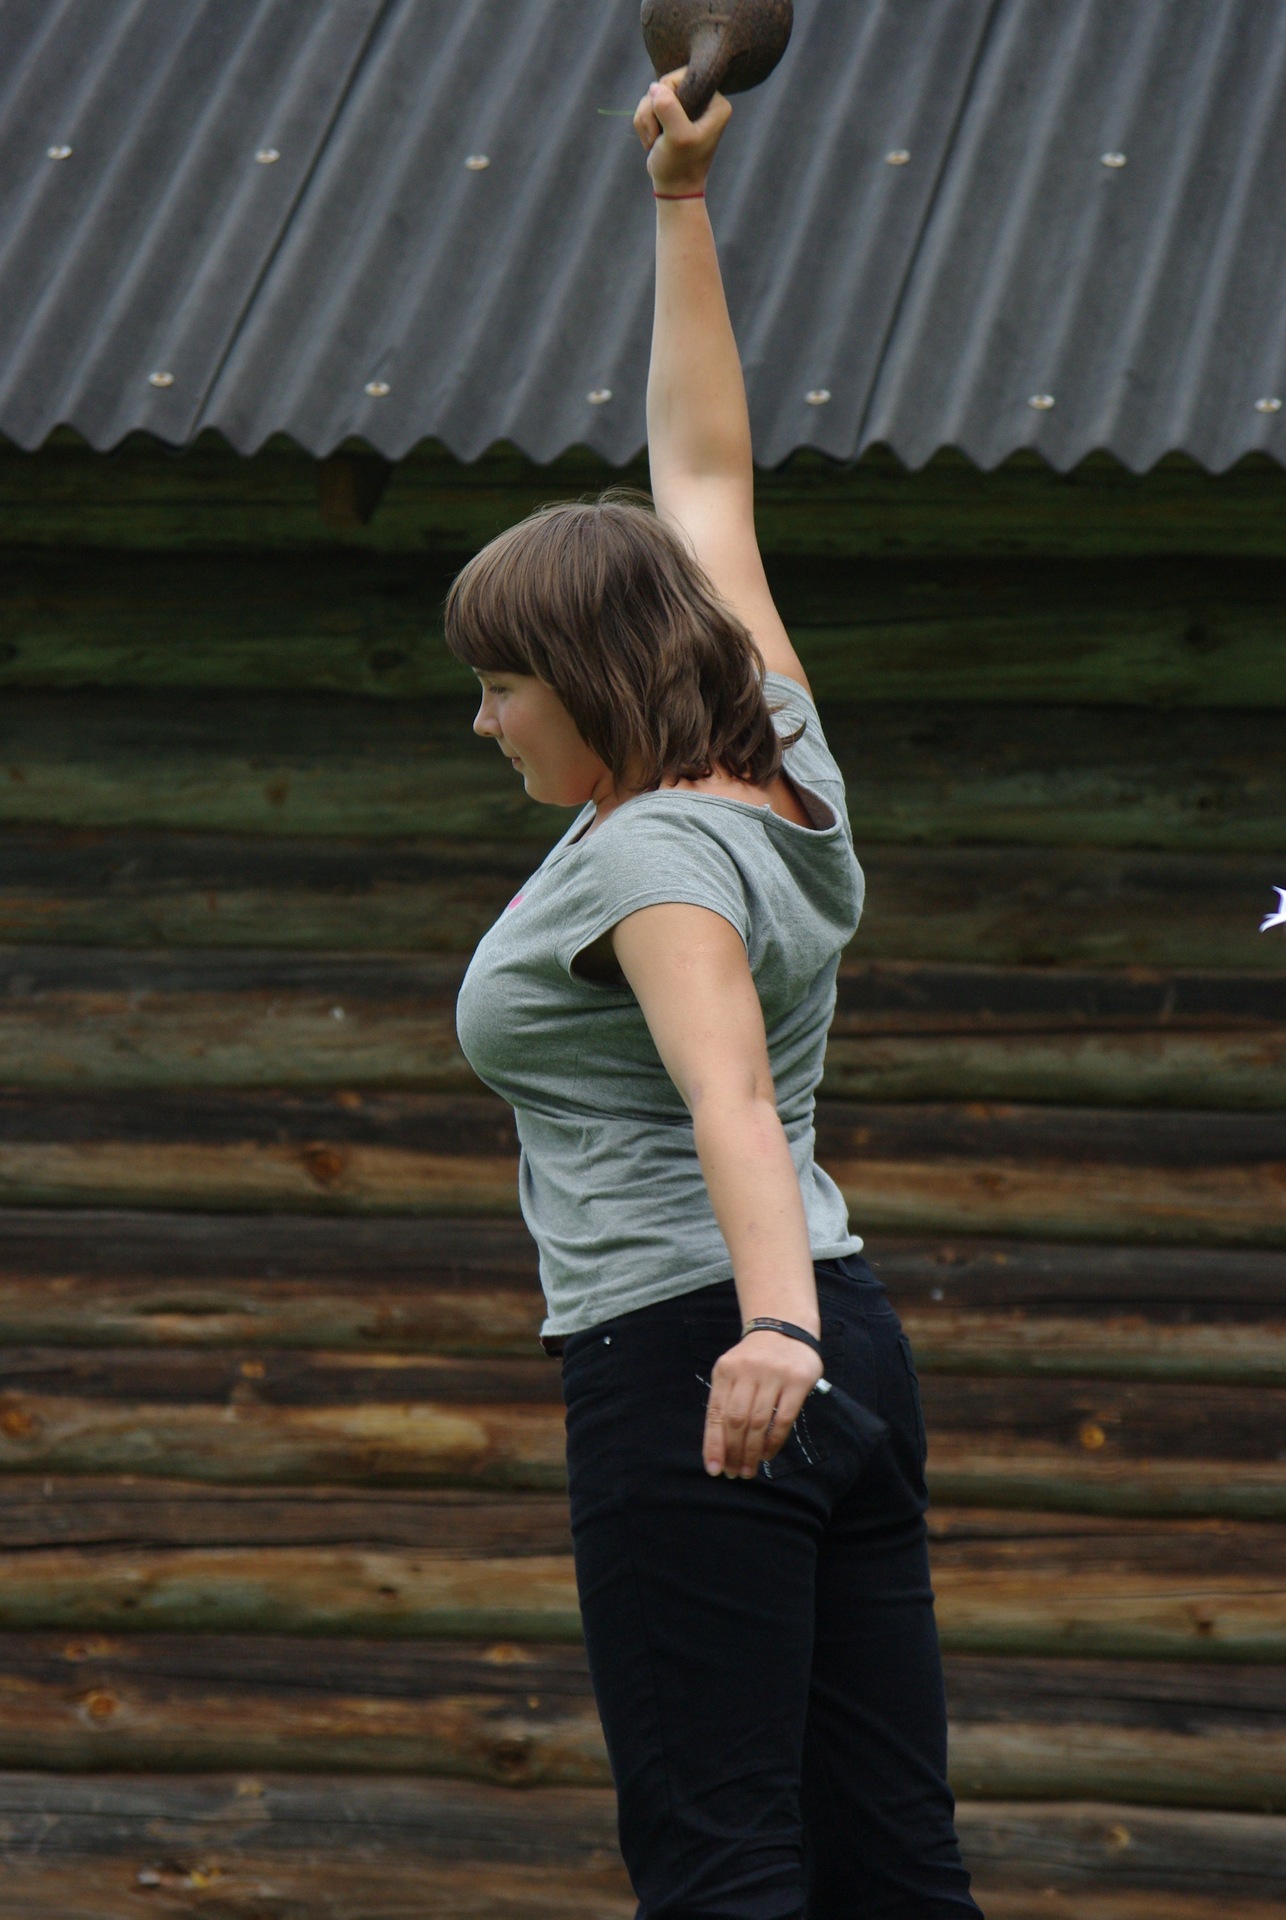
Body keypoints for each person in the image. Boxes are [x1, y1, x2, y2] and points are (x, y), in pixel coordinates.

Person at [449, 70, 982, 1920]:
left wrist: (767, 1335)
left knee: (722, 1859)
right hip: (844, 1341)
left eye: (500, 685)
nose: (482, 721)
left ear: (586, 678)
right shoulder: (778, 751)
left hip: (705, 1360)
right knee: (892, 1860)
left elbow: (729, 1096)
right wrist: (679, 205)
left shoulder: (649, 865)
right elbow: (703, 475)